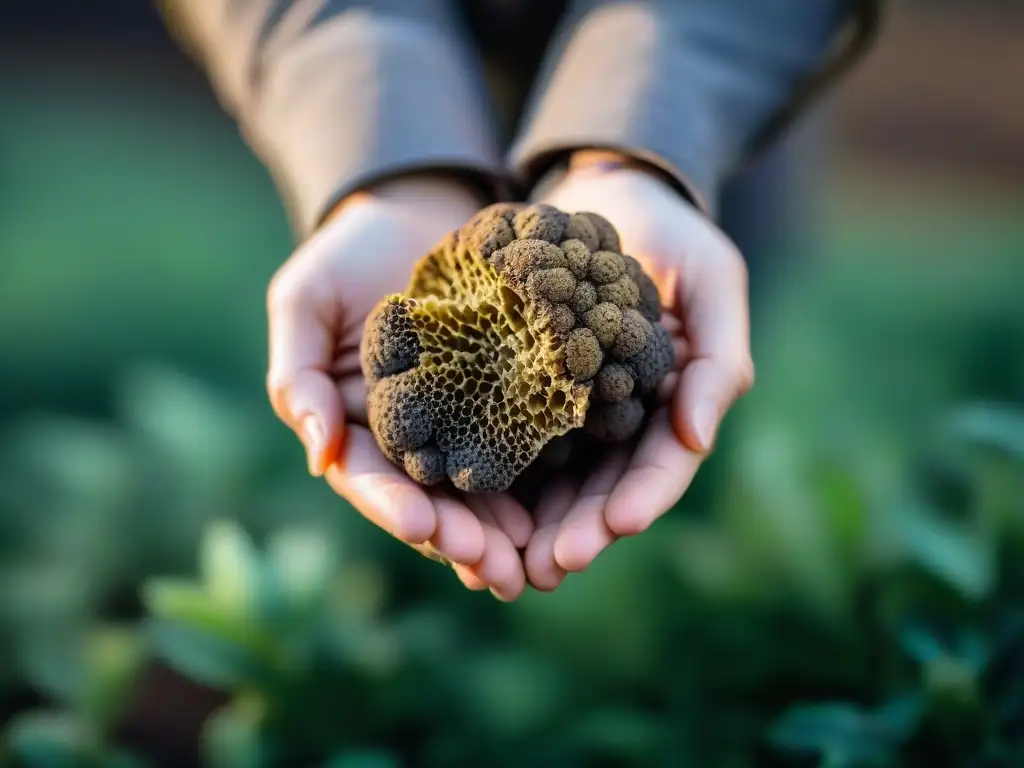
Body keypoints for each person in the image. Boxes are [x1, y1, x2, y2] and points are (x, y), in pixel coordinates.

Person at [162, 0, 881, 601]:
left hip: (708, 94)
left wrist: (644, 141)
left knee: (710, 435)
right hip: (386, 81)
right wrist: (378, 151)